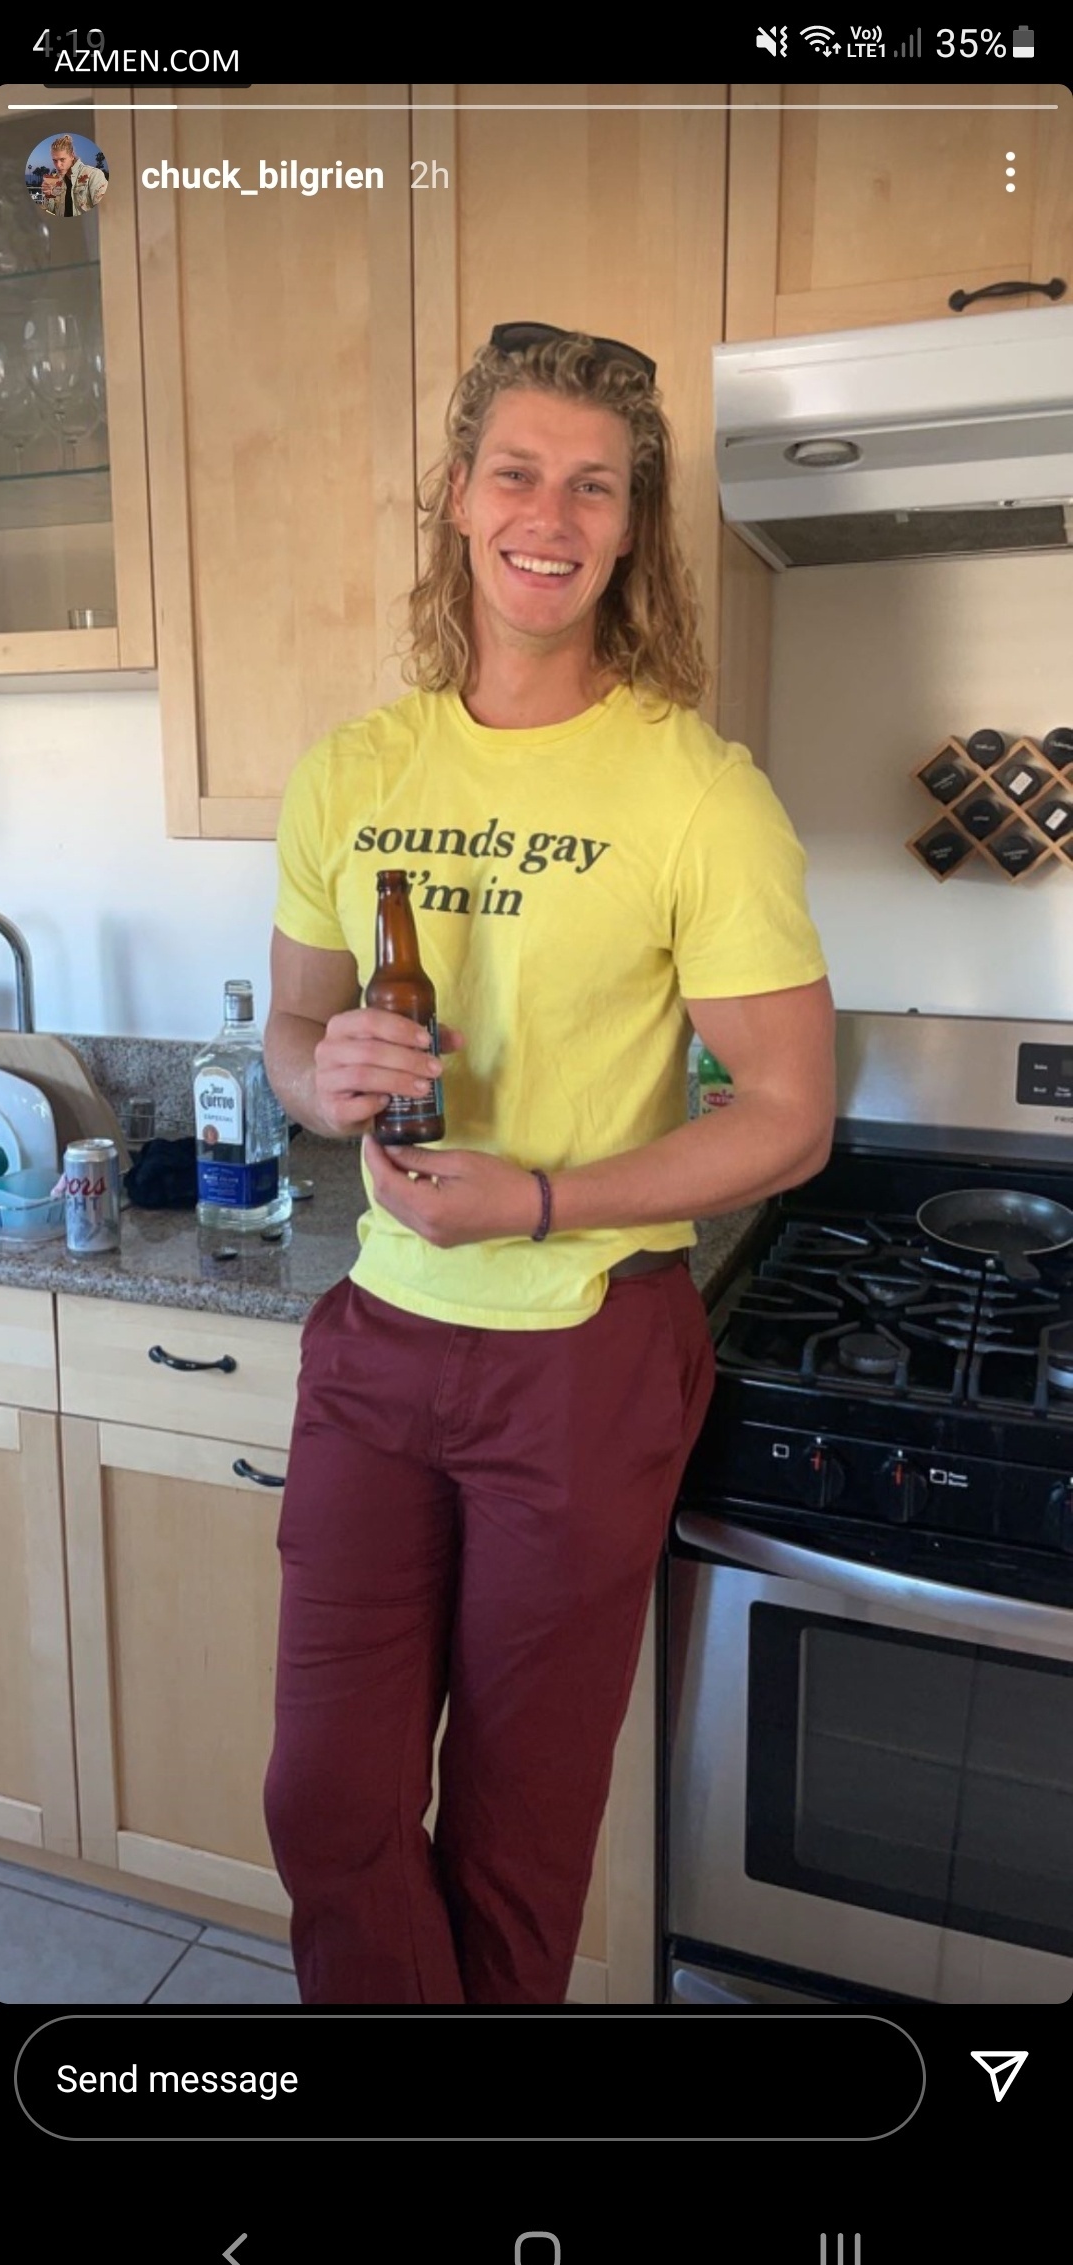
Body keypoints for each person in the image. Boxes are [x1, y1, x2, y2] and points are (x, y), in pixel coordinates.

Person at [262, 320, 835, 2007]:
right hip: (378, 1344)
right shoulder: (351, 772)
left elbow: (789, 1113)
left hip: (585, 1359)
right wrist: (325, 1074)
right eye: (517, 471)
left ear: (628, 526)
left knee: (518, 1838)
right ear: (458, 496)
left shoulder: (696, 791)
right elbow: (291, 1038)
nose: (551, 514)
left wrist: (544, 1200)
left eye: (594, 486)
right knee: (324, 1800)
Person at [37, 135, 108, 216]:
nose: (58, 165)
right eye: (55, 160)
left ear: (72, 156)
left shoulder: (94, 175)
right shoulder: (55, 179)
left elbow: (104, 211)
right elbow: (51, 212)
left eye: (62, 159)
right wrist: (48, 195)